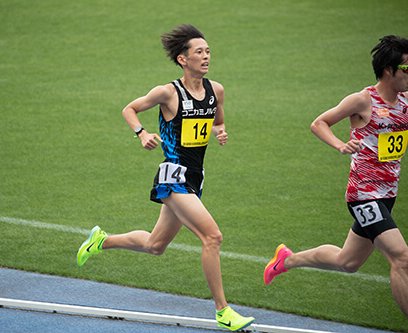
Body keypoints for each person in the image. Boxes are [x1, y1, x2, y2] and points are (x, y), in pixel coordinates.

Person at [76, 24, 254, 331]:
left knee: (155, 245)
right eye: (199, 52)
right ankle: (223, 311)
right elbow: (129, 109)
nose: (206, 56)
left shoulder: (217, 90)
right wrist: (141, 132)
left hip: (196, 178)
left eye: (208, 51)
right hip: (173, 177)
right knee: (213, 237)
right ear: (183, 59)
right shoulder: (168, 93)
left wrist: (219, 131)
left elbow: (216, 119)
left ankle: (101, 240)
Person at [264, 35, 408, 318]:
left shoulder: (405, 100)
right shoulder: (363, 100)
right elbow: (319, 123)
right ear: (389, 70)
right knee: (401, 258)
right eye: (407, 68)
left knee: (348, 261)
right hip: (364, 195)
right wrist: (340, 145)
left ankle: (286, 260)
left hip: (388, 193)